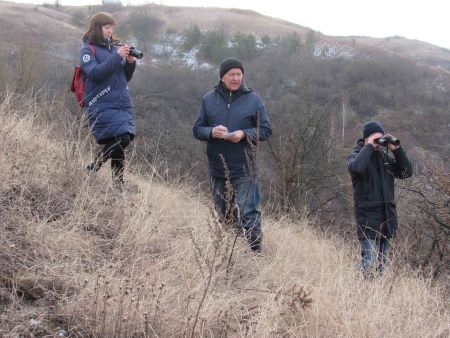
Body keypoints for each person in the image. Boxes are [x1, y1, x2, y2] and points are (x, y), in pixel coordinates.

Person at [193, 57, 272, 252]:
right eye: (232, 74)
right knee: (224, 212)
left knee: (249, 211)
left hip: (245, 166)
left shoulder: (253, 99)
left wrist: (244, 134)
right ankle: (233, 250)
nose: (236, 78)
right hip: (218, 167)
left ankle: (255, 252)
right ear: (222, 77)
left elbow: (266, 130)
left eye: (239, 74)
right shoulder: (208, 99)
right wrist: (212, 132)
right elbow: (197, 129)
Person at [347, 121, 413, 276]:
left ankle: (378, 297)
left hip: (387, 218)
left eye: (380, 139)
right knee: (368, 264)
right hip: (368, 219)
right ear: (365, 140)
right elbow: (356, 168)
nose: (379, 143)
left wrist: (397, 150)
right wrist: (369, 146)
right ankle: (364, 294)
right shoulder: (356, 156)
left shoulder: (385, 160)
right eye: (375, 139)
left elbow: (406, 172)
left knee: (382, 267)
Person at [80, 12, 137, 188]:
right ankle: (92, 168)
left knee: (121, 139)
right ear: (97, 28)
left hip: (121, 102)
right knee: (123, 137)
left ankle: (118, 184)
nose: (110, 30)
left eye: (112, 27)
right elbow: (95, 74)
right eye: (106, 27)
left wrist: (130, 63)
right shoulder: (88, 49)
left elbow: (123, 79)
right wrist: (116, 56)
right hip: (100, 102)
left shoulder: (114, 48)